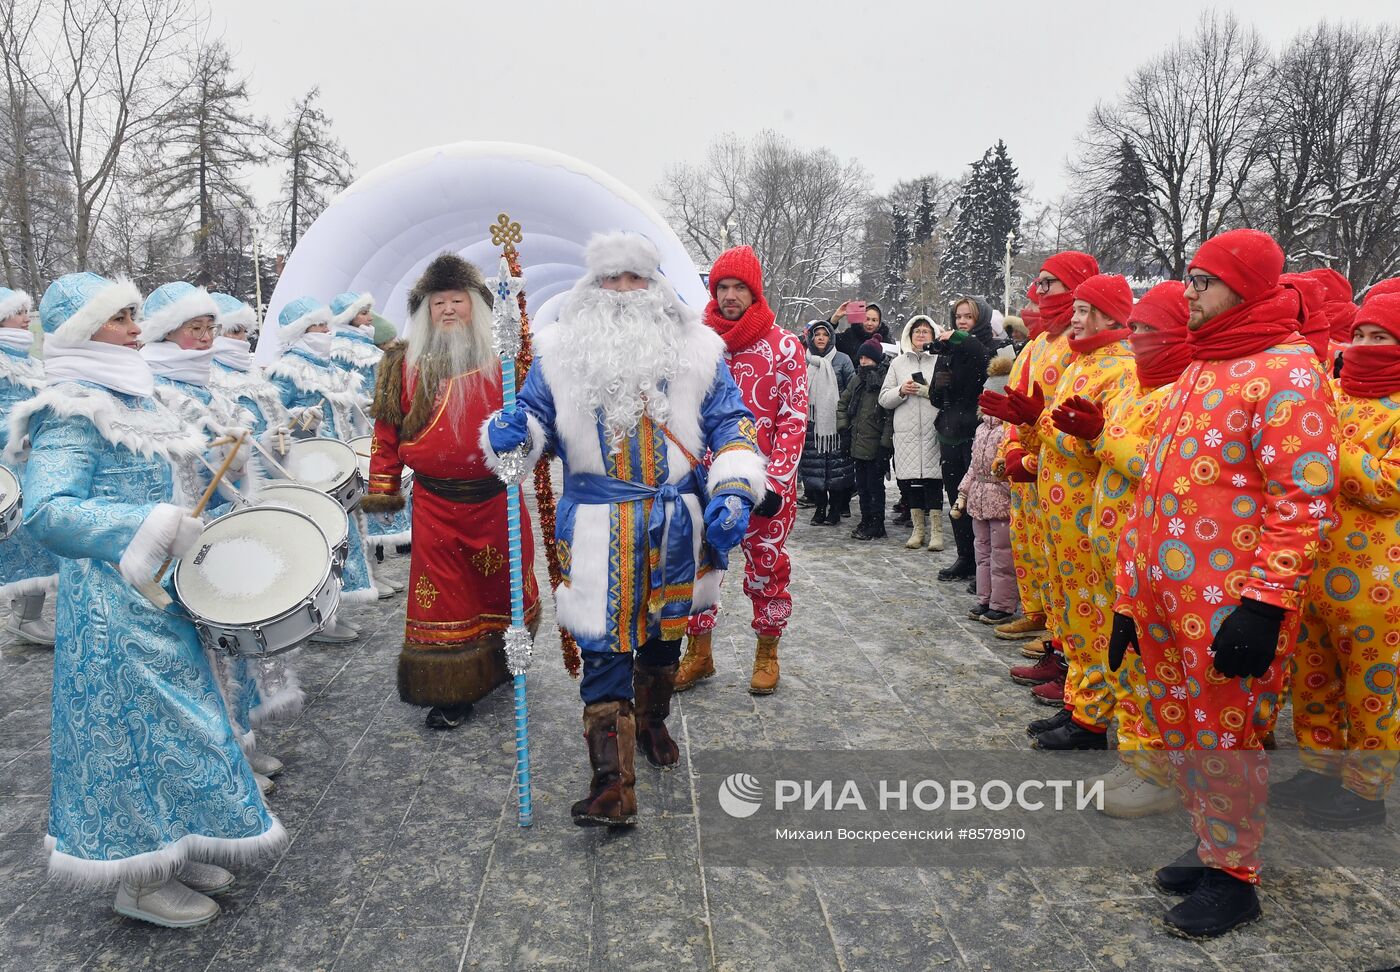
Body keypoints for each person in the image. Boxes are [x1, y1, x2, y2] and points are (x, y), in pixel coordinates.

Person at [10, 271, 284, 928]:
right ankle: (139, 879)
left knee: (179, 730)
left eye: (137, 316)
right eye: (122, 318)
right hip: (115, 607)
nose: (138, 329)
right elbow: (47, 510)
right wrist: (151, 526)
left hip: (165, 598)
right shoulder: (73, 406)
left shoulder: (141, 396)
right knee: (135, 739)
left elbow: (186, 474)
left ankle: (177, 848)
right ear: (83, 333)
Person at [484, 231, 765, 826]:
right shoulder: (558, 353)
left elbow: (732, 423)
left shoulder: (699, 350)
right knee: (603, 647)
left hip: (675, 521)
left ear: (656, 286)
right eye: (610, 280)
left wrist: (736, 486)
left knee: (665, 633)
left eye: (633, 279)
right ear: (591, 288)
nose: (622, 292)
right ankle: (611, 783)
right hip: (594, 528)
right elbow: (533, 424)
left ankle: (654, 719)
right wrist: (512, 435)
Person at [1110, 229, 1338, 938]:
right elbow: (1153, 490)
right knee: (1188, 731)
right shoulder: (1207, 364)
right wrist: (1127, 596)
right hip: (1167, 599)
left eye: (1203, 281)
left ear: (1243, 288)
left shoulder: (1288, 372)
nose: (1190, 293)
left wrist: (1265, 605)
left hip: (1229, 609)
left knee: (1227, 736)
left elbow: (1303, 500)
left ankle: (1235, 879)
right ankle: (1215, 845)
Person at [363, 254, 540, 730]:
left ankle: (502, 665)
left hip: (497, 499)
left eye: (456, 300)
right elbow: (386, 431)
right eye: (437, 301)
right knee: (444, 598)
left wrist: (524, 439)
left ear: (474, 305)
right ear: (424, 310)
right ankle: (452, 688)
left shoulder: (506, 362)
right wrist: (382, 487)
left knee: (501, 588)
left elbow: (536, 420)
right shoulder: (402, 364)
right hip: (436, 506)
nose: (446, 309)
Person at [1047, 282, 1192, 818]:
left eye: (1149, 329)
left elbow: (1157, 465)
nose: (1138, 339)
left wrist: (1098, 436)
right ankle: (1134, 759)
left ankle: (1152, 767)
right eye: (1136, 328)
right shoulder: (1140, 388)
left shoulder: (1178, 392)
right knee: (1126, 655)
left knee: (1150, 663)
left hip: (1157, 556)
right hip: (1113, 548)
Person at [990, 274, 1136, 749]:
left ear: (1110, 315)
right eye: (1073, 310)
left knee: (1092, 613)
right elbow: (1056, 432)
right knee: (1071, 611)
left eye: (1083, 310)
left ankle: (1092, 716)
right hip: (1055, 508)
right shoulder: (1082, 362)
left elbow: (1095, 449)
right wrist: (1029, 428)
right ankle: (1078, 700)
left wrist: (1042, 427)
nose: (1073, 318)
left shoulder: (1122, 370)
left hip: (1087, 512)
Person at [1277, 292, 1400, 829]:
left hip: (1379, 584)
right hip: (1313, 566)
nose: (1366, 347)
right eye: (1364, 335)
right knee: (1313, 676)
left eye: (1383, 338)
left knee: (1372, 687)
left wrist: (1325, 447)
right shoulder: (1331, 393)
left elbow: (1387, 486)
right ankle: (1318, 766)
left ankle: (1366, 790)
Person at [679, 246, 808, 696]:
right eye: (722, 287)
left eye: (739, 287)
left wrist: (774, 482)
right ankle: (699, 652)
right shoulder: (699, 343)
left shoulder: (784, 346)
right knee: (701, 568)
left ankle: (767, 654)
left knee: (766, 569)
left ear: (755, 292)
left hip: (765, 488)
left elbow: (793, 418)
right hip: (706, 483)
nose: (730, 296)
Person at [984, 254, 1100, 674]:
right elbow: (1017, 406)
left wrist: (1031, 457)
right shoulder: (1038, 345)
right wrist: (1010, 450)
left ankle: (1062, 639)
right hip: (1034, 467)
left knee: (1069, 565)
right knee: (1034, 548)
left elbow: (1066, 415)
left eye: (1050, 282)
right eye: (1040, 282)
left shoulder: (1078, 346)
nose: (1038, 290)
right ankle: (1041, 615)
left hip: (1062, 469)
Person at [264, 297, 380, 631]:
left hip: (336, 464)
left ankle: (332, 609)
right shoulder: (285, 369)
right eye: (319, 326)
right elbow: (272, 416)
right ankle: (318, 618)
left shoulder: (328, 366)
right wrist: (298, 418)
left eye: (328, 325)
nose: (327, 332)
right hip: (308, 468)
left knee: (345, 534)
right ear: (301, 330)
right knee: (321, 537)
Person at [0, 287, 58, 644]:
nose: (26, 317)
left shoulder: (30, 361)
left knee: (37, 539)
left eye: (27, 310)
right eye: (18, 311)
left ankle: (27, 615)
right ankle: (22, 616)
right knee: (18, 542)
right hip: (8, 467)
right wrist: (17, 435)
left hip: (34, 462)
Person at [929, 297, 995, 578]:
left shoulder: (990, 347)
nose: (962, 321)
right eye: (958, 317)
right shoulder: (948, 351)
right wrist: (939, 384)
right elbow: (934, 397)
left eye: (968, 316)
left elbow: (980, 358)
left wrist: (957, 338)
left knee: (979, 501)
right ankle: (964, 557)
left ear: (980, 319)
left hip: (976, 434)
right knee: (956, 498)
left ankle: (983, 564)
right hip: (950, 431)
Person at [955, 354, 1016, 624]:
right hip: (979, 500)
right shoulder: (981, 430)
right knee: (983, 552)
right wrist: (963, 492)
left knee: (1002, 556)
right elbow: (974, 466)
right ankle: (985, 598)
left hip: (1001, 501)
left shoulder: (1010, 430)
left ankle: (1002, 604)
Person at [880, 315, 943, 551]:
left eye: (926, 330)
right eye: (917, 330)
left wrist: (927, 391)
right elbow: (884, 398)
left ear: (933, 335)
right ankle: (918, 530)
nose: (921, 334)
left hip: (932, 428)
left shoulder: (940, 361)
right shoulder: (898, 364)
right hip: (906, 432)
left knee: (934, 480)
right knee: (912, 484)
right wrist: (901, 390)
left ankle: (937, 532)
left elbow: (947, 396)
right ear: (909, 334)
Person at [799, 320, 855, 526]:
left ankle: (835, 509)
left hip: (836, 425)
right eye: (817, 334)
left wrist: (844, 415)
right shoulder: (805, 361)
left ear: (831, 337)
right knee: (816, 470)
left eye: (825, 334)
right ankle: (820, 507)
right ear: (811, 338)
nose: (821, 338)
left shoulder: (842, 359)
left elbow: (852, 389)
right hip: (812, 425)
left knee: (837, 470)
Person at [839, 338, 894, 540]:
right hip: (857, 441)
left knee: (875, 487)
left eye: (868, 358)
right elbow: (843, 403)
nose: (863, 362)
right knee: (862, 486)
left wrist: (885, 445)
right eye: (861, 357)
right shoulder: (857, 380)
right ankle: (866, 519)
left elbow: (889, 417)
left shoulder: (884, 381)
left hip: (876, 443)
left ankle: (877, 522)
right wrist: (844, 430)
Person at [833, 300, 891, 365]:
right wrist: (834, 319)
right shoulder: (849, 336)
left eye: (874, 320)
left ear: (879, 322)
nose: (870, 323)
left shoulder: (886, 340)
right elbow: (825, 341)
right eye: (867, 319)